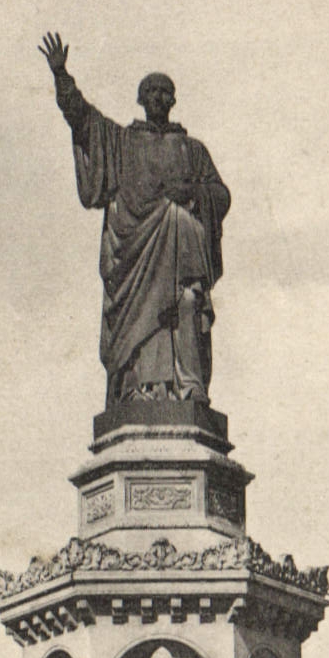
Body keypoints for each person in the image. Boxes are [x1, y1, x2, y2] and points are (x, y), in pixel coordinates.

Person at [39, 32, 230, 403]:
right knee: (143, 326)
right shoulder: (122, 142)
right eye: (152, 92)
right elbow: (82, 119)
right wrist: (62, 76)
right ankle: (138, 389)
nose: (159, 98)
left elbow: (221, 195)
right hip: (135, 264)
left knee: (186, 305)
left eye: (165, 92)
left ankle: (186, 388)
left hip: (181, 260)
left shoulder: (193, 151)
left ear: (173, 101)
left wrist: (192, 193)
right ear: (141, 100)